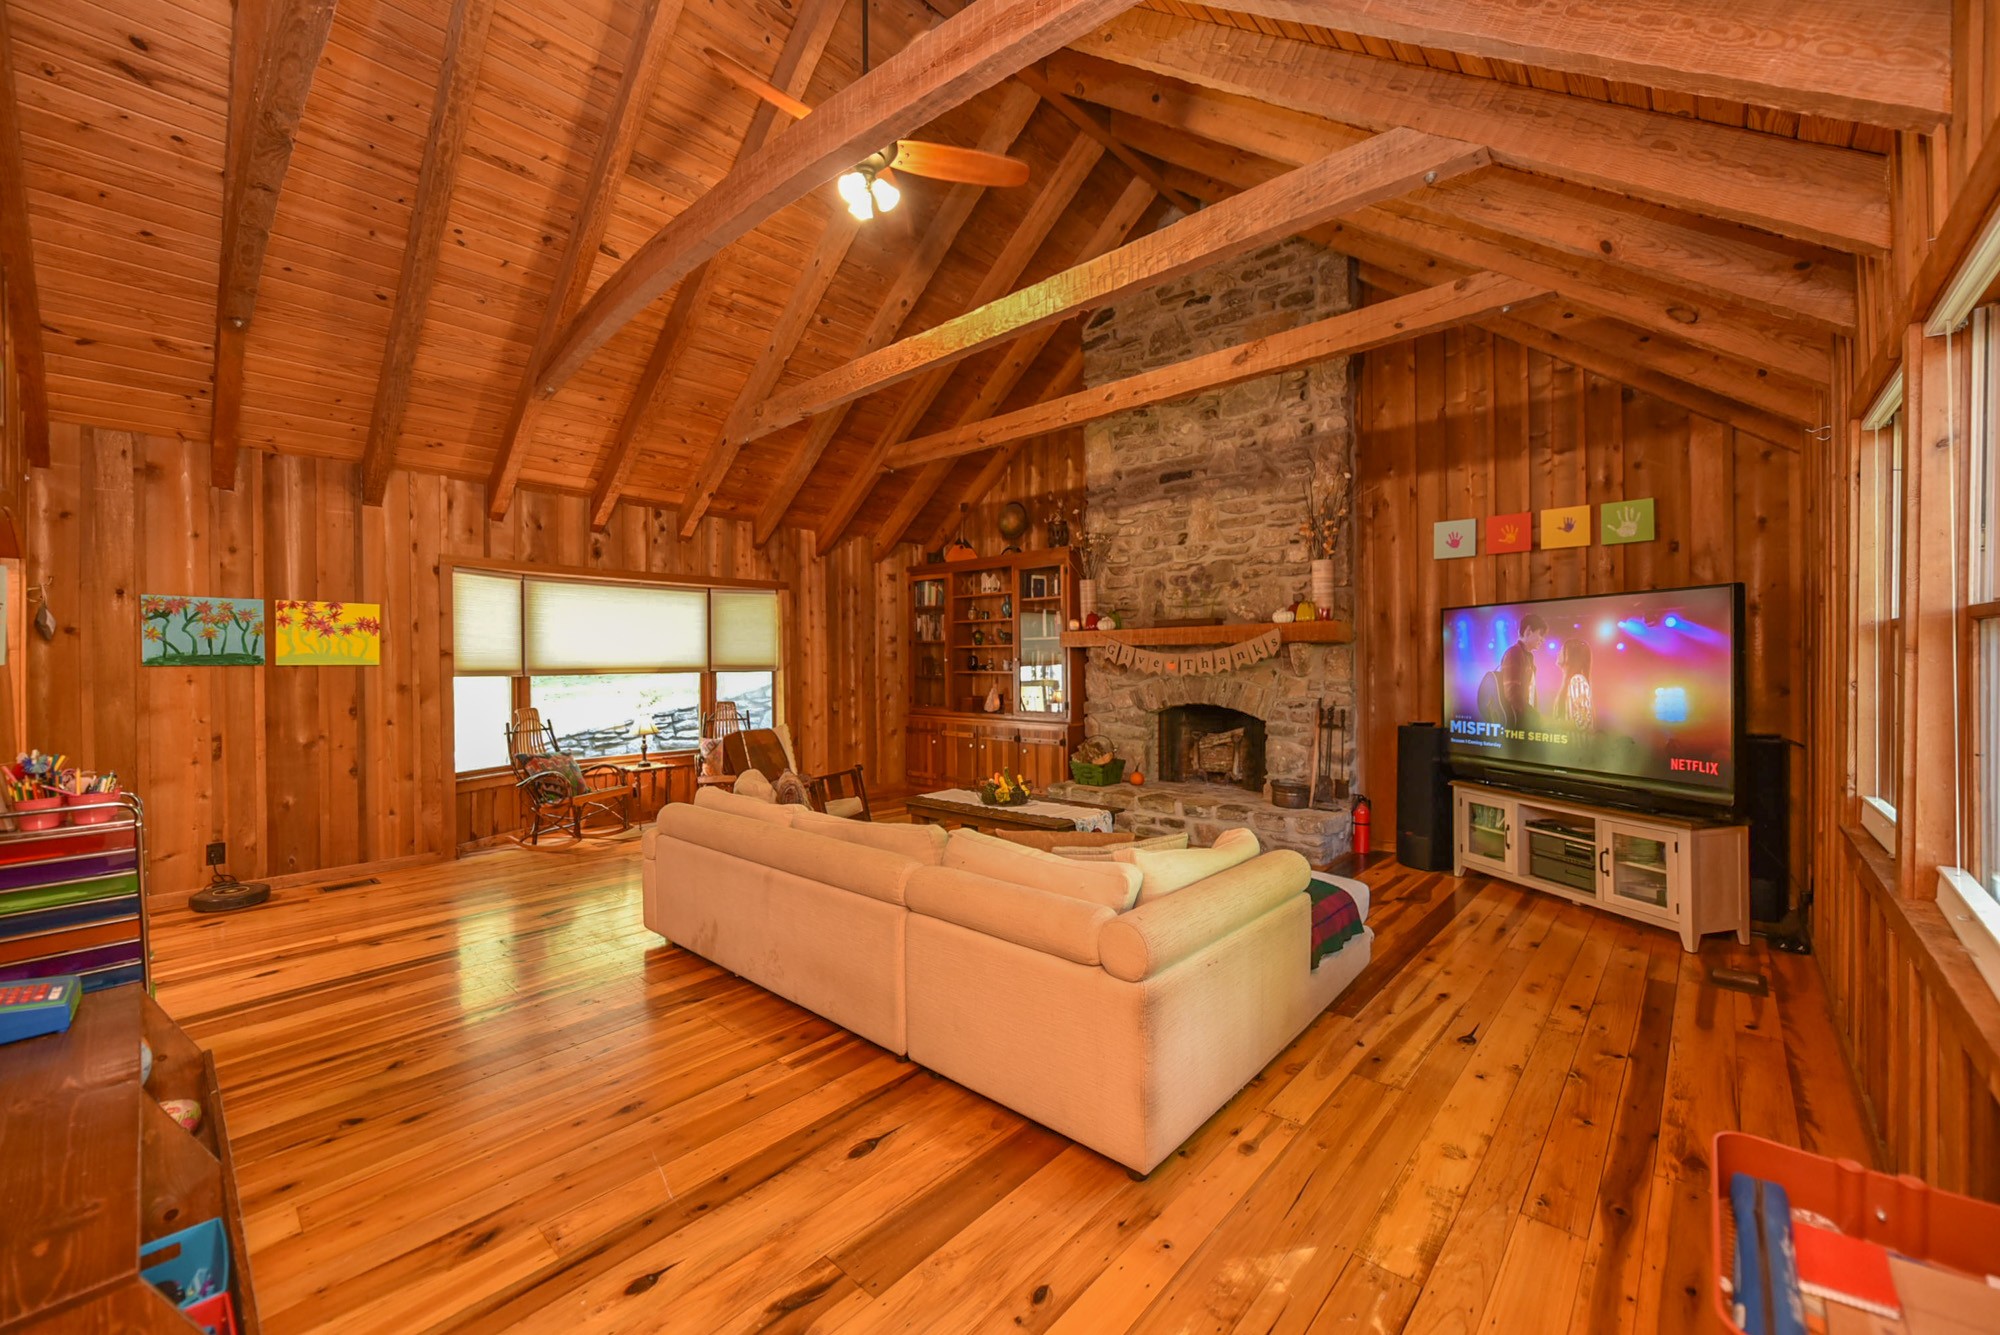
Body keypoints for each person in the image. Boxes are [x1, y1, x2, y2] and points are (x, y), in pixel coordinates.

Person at [1497, 614, 1547, 728]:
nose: (1542, 640)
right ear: (1528, 631)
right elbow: (1512, 693)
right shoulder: (1514, 653)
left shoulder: (1526, 656)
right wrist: (1533, 716)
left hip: (1524, 723)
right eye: (1540, 634)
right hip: (1517, 725)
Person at [1556, 637, 1593, 734]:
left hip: (1575, 745)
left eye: (1562, 650)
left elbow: (1584, 723)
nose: (1558, 653)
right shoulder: (1570, 681)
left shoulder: (1577, 681)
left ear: (1570, 656)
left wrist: (1556, 725)